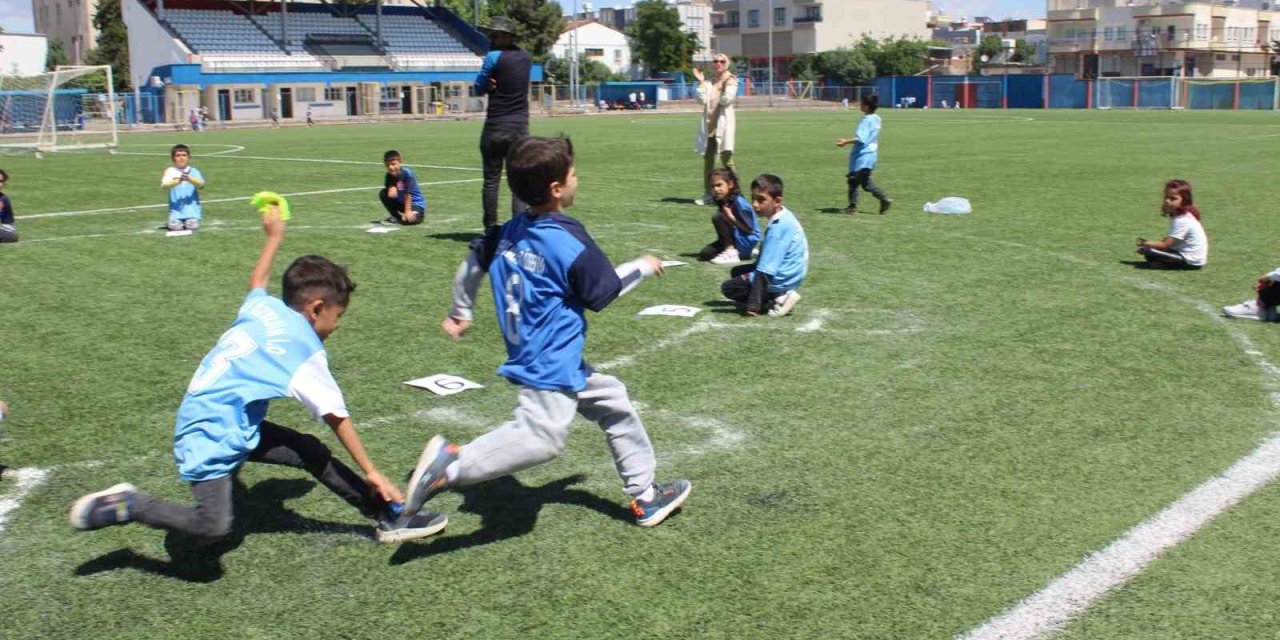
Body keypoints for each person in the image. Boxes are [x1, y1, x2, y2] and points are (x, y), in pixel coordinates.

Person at [68, 203, 446, 544]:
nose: (337, 325)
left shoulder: (263, 308)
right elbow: (335, 415)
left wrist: (273, 238)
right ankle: (130, 504)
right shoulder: (300, 346)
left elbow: (257, 284)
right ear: (316, 308)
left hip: (222, 415)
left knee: (307, 450)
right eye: (338, 316)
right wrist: (373, 472)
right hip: (212, 433)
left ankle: (386, 516)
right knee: (214, 526)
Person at [405, 136, 692, 529]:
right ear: (557, 189)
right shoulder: (567, 240)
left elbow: (473, 260)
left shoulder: (509, 230)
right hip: (550, 360)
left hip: (552, 355)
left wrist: (461, 311)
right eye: (573, 173)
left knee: (615, 403)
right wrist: (642, 265)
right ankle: (451, 464)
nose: (577, 178)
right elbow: (603, 290)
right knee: (542, 439)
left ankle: (645, 497)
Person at [720, 174, 808, 317]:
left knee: (729, 288)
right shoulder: (784, 216)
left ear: (777, 201)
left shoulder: (778, 228)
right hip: (790, 274)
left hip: (782, 278)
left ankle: (778, 299)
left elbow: (765, 272)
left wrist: (753, 305)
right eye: (753, 198)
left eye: (761, 200)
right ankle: (779, 294)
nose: (755, 204)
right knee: (737, 272)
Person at [475, 16, 531, 230]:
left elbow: (478, 88)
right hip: (519, 127)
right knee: (518, 183)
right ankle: (518, 228)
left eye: (495, 35)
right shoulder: (526, 57)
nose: (491, 38)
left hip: (496, 125)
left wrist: (489, 85)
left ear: (506, 36)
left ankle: (490, 229)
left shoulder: (493, 57)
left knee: (491, 181)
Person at [692, 54, 738, 206]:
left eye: (722, 61)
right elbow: (701, 100)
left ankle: (736, 194)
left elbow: (726, 99)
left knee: (727, 160)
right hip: (709, 127)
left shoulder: (731, 80)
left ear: (727, 64)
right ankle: (709, 194)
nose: (718, 63)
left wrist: (723, 84)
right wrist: (701, 83)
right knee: (708, 162)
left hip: (723, 126)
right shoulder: (710, 81)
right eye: (715, 61)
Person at [836, 94, 892, 215]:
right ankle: (853, 206)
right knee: (856, 181)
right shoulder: (877, 118)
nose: (859, 105)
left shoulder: (866, 120)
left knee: (861, 182)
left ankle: (883, 199)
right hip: (871, 155)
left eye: (861, 103)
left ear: (866, 107)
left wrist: (845, 142)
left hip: (862, 156)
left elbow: (861, 139)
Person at [1136, 179, 1207, 269]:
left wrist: (1145, 243)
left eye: (1173, 199)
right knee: (1151, 252)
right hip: (1191, 257)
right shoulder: (1181, 216)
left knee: (1149, 252)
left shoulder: (1182, 220)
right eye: (1166, 197)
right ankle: (1162, 263)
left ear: (1184, 201)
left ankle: (1163, 264)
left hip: (1191, 261)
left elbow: (1165, 245)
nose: (1167, 201)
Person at [698, 167, 760, 265]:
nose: (716, 189)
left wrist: (731, 218)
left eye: (719, 185)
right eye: (713, 186)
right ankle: (745, 253)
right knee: (705, 254)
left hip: (747, 239)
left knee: (718, 217)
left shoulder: (739, 202)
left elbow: (750, 230)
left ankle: (731, 251)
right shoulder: (722, 200)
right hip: (737, 237)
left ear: (730, 184)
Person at [162, 144, 205, 231]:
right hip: (176, 210)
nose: (181, 158)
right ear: (173, 158)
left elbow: (201, 184)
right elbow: (164, 185)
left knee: (192, 227)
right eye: (178, 155)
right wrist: (178, 180)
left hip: (192, 211)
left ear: (189, 157)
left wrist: (189, 178)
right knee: (176, 227)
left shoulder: (193, 171)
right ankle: (171, 220)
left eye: (184, 155)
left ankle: (189, 218)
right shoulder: (170, 170)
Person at [378, 150, 426, 225]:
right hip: (402, 203)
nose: (390, 167)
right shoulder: (389, 176)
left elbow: (408, 194)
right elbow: (391, 193)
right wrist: (391, 186)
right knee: (383, 193)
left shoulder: (407, 174)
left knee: (411, 220)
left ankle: (412, 214)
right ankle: (396, 216)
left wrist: (407, 210)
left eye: (393, 164)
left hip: (415, 204)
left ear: (400, 162)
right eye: (387, 165)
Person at [0, 169, 17, 243]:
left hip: (5, 232)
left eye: (1, 181)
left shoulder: (3, 199)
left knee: (11, 236)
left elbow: (9, 226)